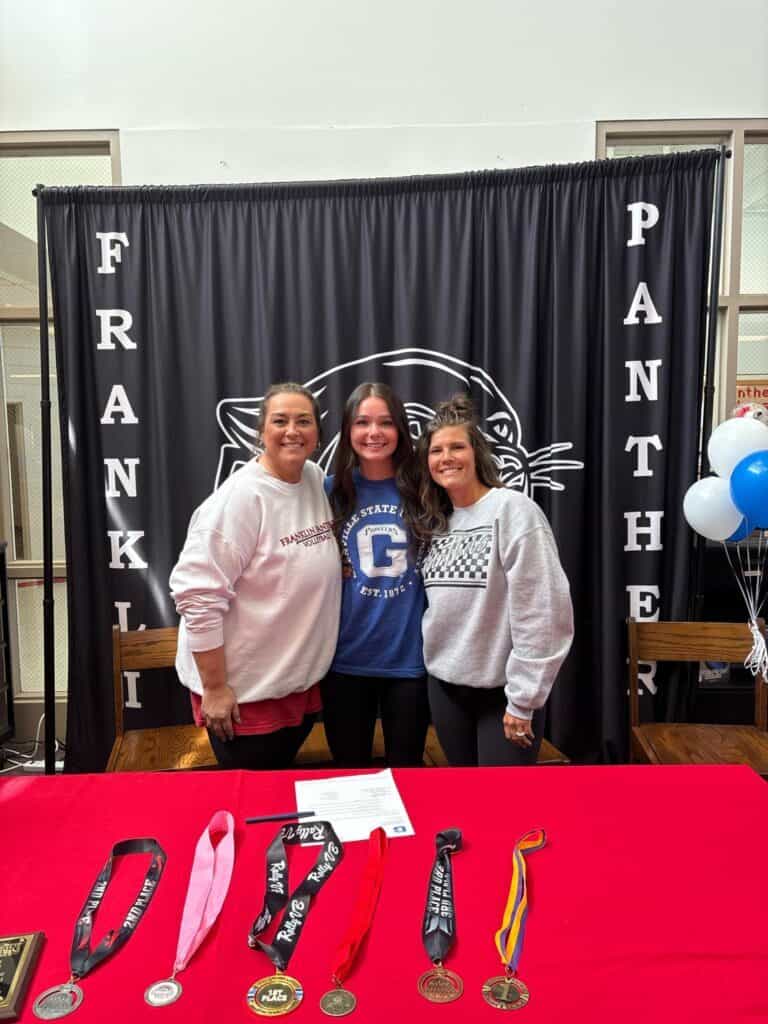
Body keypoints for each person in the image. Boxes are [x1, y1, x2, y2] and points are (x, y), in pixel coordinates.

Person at [169, 382, 341, 769]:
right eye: (280, 421)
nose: (292, 431)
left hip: (294, 686)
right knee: (252, 798)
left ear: (318, 433)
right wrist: (215, 687)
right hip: (243, 698)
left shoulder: (313, 478)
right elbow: (197, 594)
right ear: (261, 431)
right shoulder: (241, 498)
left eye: (304, 421)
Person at [415, 395, 573, 767]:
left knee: (503, 798)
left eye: (457, 446)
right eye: (436, 450)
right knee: (464, 793)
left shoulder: (513, 510)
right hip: (445, 688)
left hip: (503, 694)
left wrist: (523, 699)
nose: (446, 457)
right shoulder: (436, 522)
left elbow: (543, 610)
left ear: (477, 454)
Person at [322, 382, 430, 766]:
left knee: (408, 774)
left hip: (409, 661)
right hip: (345, 661)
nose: (374, 432)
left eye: (385, 422)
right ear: (347, 430)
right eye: (362, 422)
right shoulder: (329, 492)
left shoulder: (425, 490)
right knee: (349, 775)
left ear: (400, 429)